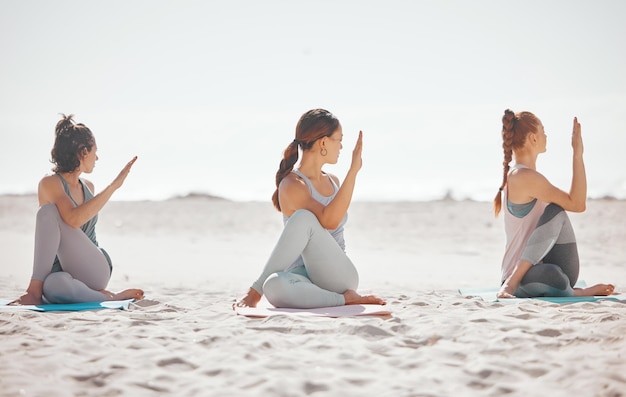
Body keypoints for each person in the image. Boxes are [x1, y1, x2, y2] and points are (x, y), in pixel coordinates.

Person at [234, 109, 385, 309]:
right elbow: (326, 219)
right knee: (274, 285)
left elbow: (329, 221)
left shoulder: (334, 181)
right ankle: (343, 300)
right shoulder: (292, 184)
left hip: (337, 276)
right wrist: (353, 170)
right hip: (301, 277)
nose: (341, 147)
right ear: (323, 143)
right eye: (339, 140)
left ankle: (254, 292)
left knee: (304, 218)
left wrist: (353, 172)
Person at [13, 114, 143, 305]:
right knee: (54, 287)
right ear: (83, 152)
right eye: (94, 151)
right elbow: (72, 219)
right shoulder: (50, 183)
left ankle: (33, 290)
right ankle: (109, 296)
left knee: (47, 212)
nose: (97, 157)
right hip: (62, 273)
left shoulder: (88, 186)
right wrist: (114, 186)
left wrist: (114, 186)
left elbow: (74, 221)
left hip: (94, 269)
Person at [494, 109, 614, 298]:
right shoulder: (522, 176)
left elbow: (578, 204)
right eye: (543, 131)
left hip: (542, 270)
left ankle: (569, 289)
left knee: (557, 213)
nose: (546, 136)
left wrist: (578, 155)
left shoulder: (526, 176)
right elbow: (576, 204)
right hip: (525, 276)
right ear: (533, 138)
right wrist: (577, 154)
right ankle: (511, 283)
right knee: (555, 213)